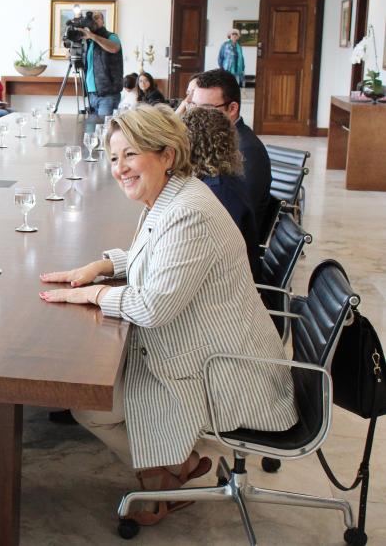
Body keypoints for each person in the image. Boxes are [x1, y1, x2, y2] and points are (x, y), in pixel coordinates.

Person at [38, 104, 296, 526]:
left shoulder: (188, 211)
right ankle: (174, 470)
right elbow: (158, 257)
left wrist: (96, 293)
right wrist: (103, 266)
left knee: (93, 406)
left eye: (131, 155)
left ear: (167, 155)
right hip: (213, 347)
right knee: (99, 394)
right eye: (115, 157)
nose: (120, 168)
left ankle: (168, 478)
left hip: (226, 370)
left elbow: (153, 306)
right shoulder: (175, 195)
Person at [182, 106, 261, 279]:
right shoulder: (220, 178)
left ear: (193, 145)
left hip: (231, 282)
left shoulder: (219, 191)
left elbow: (209, 251)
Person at [192, 69, 272, 233]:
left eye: (205, 109)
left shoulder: (247, 150)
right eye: (193, 106)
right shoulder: (213, 140)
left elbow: (234, 215)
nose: (195, 117)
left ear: (232, 108)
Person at [77, 10, 123, 115]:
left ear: (103, 21)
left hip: (108, 95)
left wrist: (92, 36)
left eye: (97, 18)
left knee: (104, 125)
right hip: (91, 95)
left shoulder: (111, 36)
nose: (94, 20)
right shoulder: (88, 42)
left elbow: (114, 48)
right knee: (91, 126)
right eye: (92, 18)